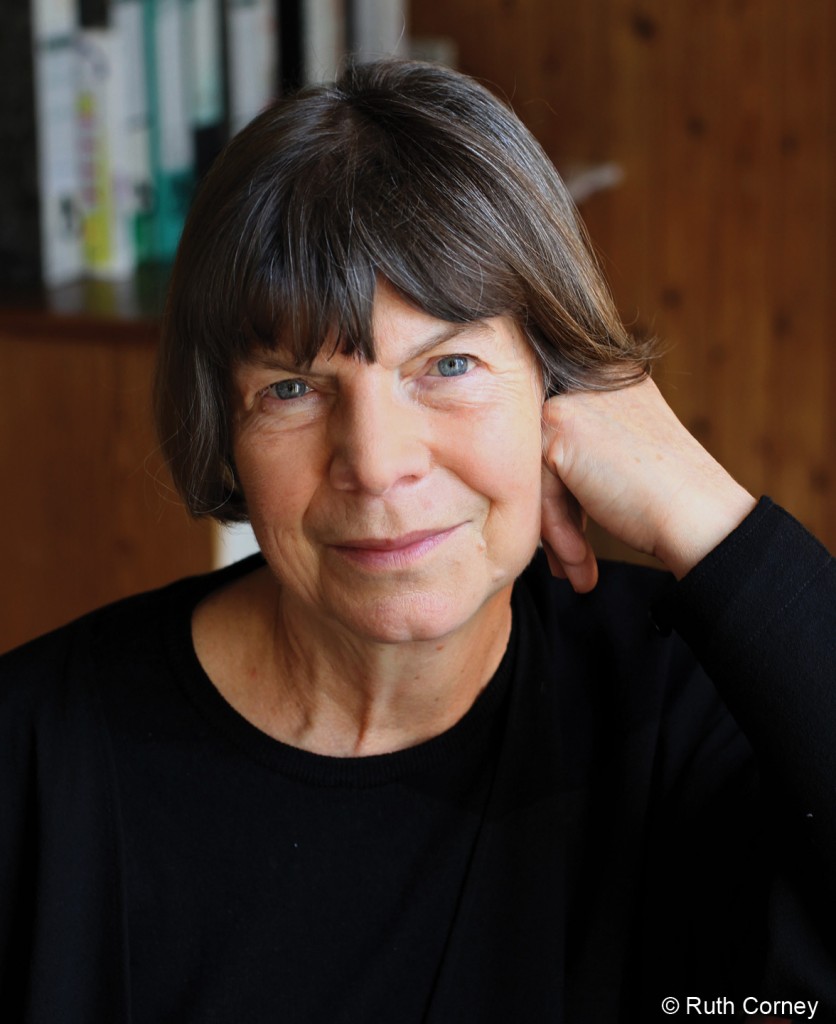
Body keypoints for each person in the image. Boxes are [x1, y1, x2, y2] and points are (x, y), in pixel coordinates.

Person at [1, 58, 834, 1023]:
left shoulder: (694, 708)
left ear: (560, 383)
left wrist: (710, 516)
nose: (376, 463)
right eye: (292, 388)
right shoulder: (34, 756)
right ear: (224, 429)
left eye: (448, 365)